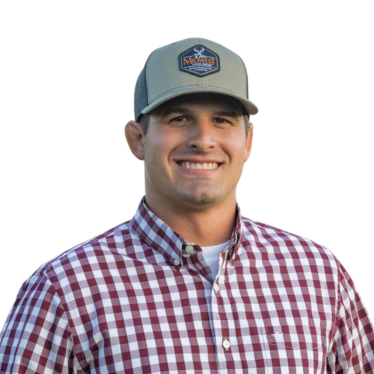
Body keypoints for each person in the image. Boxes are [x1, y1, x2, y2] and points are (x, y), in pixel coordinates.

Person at [0, 37, 373, 373]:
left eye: (222, 120)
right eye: (179, 119)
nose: (204, 139)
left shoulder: (319, 275)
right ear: (137, 140)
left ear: (248, 141)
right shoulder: (64, 289)